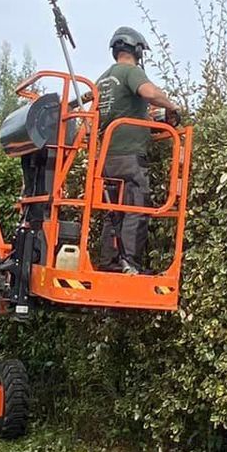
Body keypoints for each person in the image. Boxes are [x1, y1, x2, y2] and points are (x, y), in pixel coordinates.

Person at [95, 27, 182, 273]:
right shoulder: (131, 72)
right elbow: (148, 92)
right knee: (136, 206)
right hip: (129, 155)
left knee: (113, 210)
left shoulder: (101, 80)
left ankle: (110, 262)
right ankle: (130, 264)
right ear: (137, 50)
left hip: (106, 156)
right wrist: (171, 105)